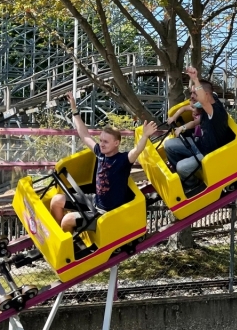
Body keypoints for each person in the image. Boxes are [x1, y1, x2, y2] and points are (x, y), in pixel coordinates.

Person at [49, 92, 157, 232]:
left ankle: (67, 241)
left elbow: (137, 150)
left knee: (67, 220)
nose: (101, 144)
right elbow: (84, 135)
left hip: (105, 214)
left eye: (105, 142)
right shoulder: (100, 152)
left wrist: (145, 136)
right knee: (56, 201)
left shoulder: (123, 160)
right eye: (100, 140)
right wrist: (74, 110)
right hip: (95, 200)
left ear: (116, 143)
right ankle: (60, 236)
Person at [161, 66, 235, 193]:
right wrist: (182, 126)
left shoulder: (215, 111)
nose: (191, 96)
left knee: (181, 167)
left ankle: (192, 185)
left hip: (208, 154)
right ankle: (184, 177)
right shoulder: (208, 103)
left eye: (194, 93)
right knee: (168, 145)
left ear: (205, 96)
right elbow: (197, 116)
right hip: (199, 143)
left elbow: (203, 99)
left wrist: (195, 79)